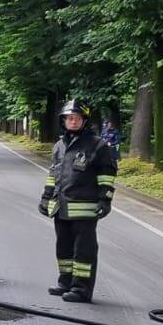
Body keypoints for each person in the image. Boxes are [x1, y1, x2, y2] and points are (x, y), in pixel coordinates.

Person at [39, 99, 117, 303]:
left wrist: (105, 200)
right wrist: (46, 197)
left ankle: (81, 289)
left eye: (77, 118)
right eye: (69, 118)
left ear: (84, 121)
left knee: (83, 251)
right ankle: (65, 282)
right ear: (63, 121)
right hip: (61, 206)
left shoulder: (97, 145)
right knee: (63, 247)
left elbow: (107, 176)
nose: (72, 122)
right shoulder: (59, 145)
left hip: (84, 209)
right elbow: (53, 175)